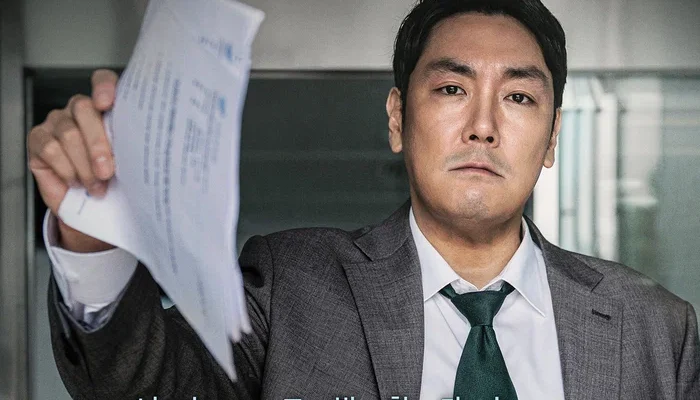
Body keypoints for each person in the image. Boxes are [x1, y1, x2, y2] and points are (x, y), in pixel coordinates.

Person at [27, 0, 699, 399]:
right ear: (397, 118)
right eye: (452, 89)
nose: (483, 125)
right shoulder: (290, 288)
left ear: (552, 137)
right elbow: (149, 388)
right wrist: (95, 230)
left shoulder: (655, 329)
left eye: (519, 96)